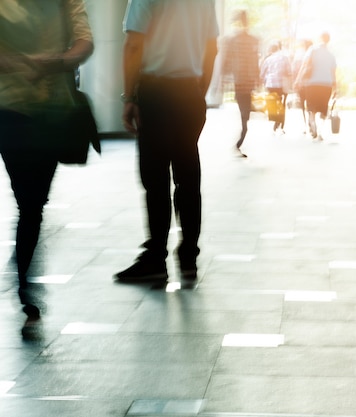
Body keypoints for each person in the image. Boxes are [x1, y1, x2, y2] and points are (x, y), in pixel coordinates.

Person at [0, 0, 94, 332]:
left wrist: (54, 62)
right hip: (9, 108)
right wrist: (12, 62)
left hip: (53, 111)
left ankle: (24, 268)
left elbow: (85, 41)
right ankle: (25, 277)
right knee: (28, 201)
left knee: (33, 203)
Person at [115, 0, 218, 283]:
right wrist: (200, 90)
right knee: (188, 176)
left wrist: (129, 98)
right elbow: (212, 48)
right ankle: (188, 258)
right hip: (190, 94)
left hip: (156, 93)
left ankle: (155, 259)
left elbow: (134, 44)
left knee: (155, 179)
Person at [221, 9, 259, 157]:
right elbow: (254, 62)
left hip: (242, 82)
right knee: (245, 115)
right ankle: (239, 143)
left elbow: (227, 61)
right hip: (245, 83)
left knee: (245, 114)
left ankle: (239, 142)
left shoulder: (233, 40)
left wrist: (223, 79)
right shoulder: (250, 40)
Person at [294, 32, 336, 141]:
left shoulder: (312, 50)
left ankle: (313, 125)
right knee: (323, 109)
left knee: (311, 108)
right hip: (326, 84)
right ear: (328, 40)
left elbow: (304, 65)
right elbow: (333, 73)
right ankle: (320, 132)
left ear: (320, 38)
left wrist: (298, 80)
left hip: (312, 84)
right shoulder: (331, 55)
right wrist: (335, 88)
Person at [261, 41, 291, 134]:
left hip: (271, 84)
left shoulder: (268, 59)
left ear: (271, 50)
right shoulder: (285, 58)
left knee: (272, 103)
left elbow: (262, 74)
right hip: (282, 84)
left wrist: (263, 82)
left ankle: (275, 120)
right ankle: (281, 124)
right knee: (282, 104)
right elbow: (289, 72)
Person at [291, 38, 313, 134]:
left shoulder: (299, 57)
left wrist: (295, 82)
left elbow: (294, 70)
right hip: (311, 84)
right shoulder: (314, 56)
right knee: (310, 104)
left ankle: (305, 124)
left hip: (301, 84)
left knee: (303, 105)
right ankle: (310, 122)